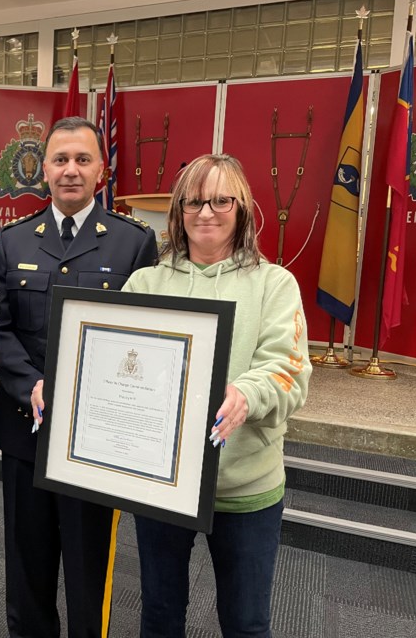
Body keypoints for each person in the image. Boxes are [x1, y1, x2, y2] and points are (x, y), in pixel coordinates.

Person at [120, 153, 311, 638]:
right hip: (161, 483)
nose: (206, 212)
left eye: (221, 200)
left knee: (245, 623)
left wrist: (247, 394)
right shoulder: (145, 283)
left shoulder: (275, 284)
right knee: (160, 617)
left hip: (244, 485)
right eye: (194, 201)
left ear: (242, 207)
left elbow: (289, 370)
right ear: (177, 212)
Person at [0, 116, 159, 638]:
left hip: (96, 437)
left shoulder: (133, 244)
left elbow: (143, 340)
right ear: (44, 171)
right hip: (26, 429)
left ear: (101, 171)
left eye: (82, 160)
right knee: (26, 567)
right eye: (60, 160)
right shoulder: (12, 243)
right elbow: (0, 327)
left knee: (90, 571)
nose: (70, 170)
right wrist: (29, 384)